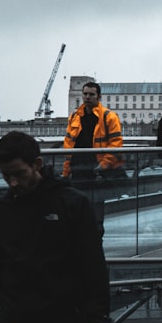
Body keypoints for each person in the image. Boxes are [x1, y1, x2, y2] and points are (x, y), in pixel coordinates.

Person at [0, 131, 110, 323]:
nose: (13, 183)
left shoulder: (72, 204)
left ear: (37, 164)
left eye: (19, 174)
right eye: (6, 176)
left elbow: (93, 266)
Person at [63, 81, 124, 226]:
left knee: (96, 213)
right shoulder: (74, 117)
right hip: (78, 170)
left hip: (96, 171)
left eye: (91, 94)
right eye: (85, 94)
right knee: (78, 210)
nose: (87, 97)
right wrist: (66, 171)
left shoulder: (109, 117)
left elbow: (115, 144)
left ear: (99, 96)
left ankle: (95, 240)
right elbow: (68, 145)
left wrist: (103, 165)